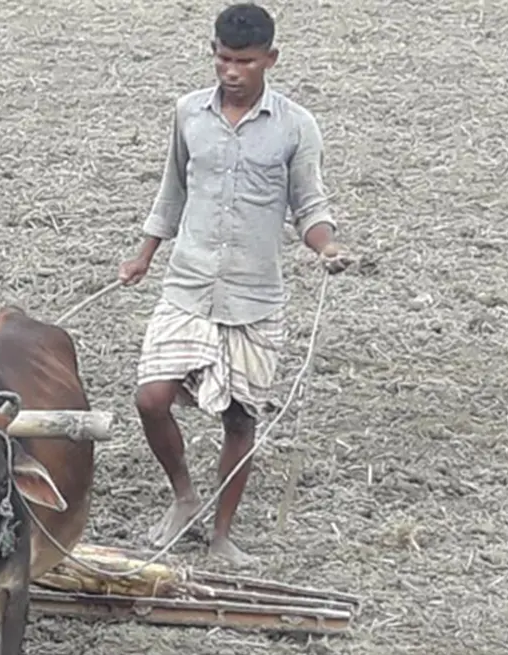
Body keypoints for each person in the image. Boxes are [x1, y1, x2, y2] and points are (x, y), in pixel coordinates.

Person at [118, 2, 352, 566]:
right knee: (151, 398)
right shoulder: (188, 114)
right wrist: (143, 255)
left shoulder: (296, 126)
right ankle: (184, 497)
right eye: (223, 59)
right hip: (187, 285)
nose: (231, 71)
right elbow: (172, 192)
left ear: (270, 58)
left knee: (240, 419)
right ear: (213, 53)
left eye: (244, 61)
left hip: (254, 297)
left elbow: (309, 205)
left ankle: (221, 536)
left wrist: (326, 248)